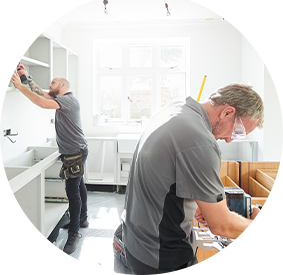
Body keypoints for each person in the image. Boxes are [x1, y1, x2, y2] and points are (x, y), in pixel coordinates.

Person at [121, 84, 264, 274]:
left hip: (137, 241)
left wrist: (199, 202)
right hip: (162, 255)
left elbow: (166, 170)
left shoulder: (176, 109)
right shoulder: (200, 140)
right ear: (227, 112)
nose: (230, 139)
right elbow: (222, 225)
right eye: (237, 132)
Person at [10, 67, 88, 255]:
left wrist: (20, 86)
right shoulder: (62, 99)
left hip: (75, 153)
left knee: (72, 191)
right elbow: (42, 94)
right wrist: (26, 78)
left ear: (63, 85)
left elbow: (43, 103)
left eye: (53, 83)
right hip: (76, 151)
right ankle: (83, 219)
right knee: (79, 186)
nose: (49, 85)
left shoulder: (68, 100)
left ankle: (74, 234)